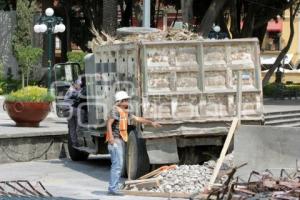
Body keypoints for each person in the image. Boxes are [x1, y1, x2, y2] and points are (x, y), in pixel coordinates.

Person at [106, 91, 161, 196]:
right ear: (120, 101)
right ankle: (113, 188)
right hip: (115, 140)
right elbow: (109, 124)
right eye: (125, 100)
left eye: (127, 100)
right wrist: (111, 138)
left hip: (120, 140)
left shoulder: (125, 111)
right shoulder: (115, 110)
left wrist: (151, 122)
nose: (127, 101)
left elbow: (137, 119)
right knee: (117, 165)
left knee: (118, 164)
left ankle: (113, 186)